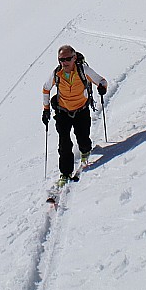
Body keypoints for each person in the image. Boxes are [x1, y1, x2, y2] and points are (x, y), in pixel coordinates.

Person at [42, 45, 108, 185]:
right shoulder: (56, 74)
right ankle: (65, 173)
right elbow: (46, 88)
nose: (64, 62)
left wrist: (102, 87)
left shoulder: (83, 71)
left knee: (83, 137)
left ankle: (85, 151)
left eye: (67, 59)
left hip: (81, 110)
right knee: (64, 143)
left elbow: (102, 81)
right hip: (62, 112)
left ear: (74, 58)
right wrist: (46, 109)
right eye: (61, 59)